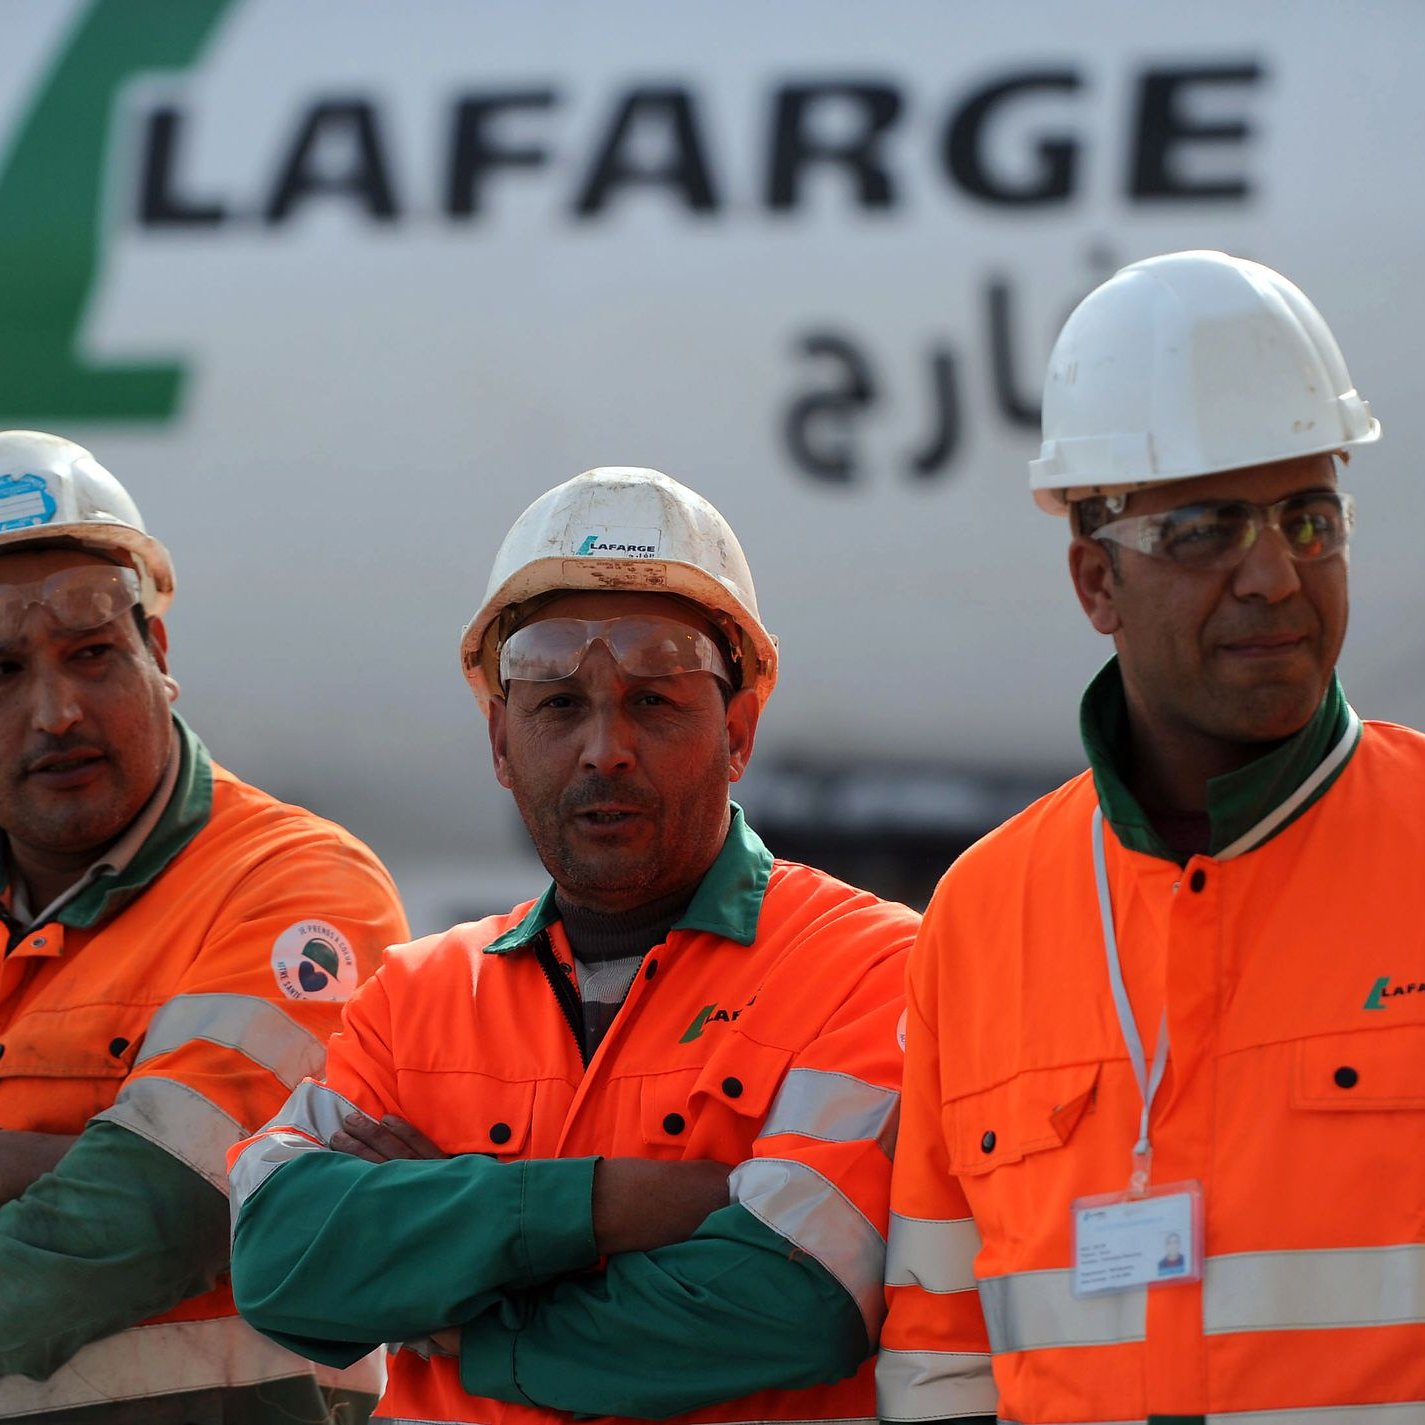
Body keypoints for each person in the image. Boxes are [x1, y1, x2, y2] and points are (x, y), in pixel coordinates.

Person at [228, 466, 916, 1425]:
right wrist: (616, 1203)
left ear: (739, 728)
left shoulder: (869, 968)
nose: (604, 748)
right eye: (556, 703)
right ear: (501, 745)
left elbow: (795, 1300)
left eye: (655, 700)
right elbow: (280, 1258)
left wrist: (470, 1316)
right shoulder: (415, 995)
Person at [878, 248, 1424, 1424]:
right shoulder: (982, 914)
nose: (1276, 577)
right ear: (1095, 582)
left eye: (1308, 518)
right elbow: (939, 1344)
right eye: (1205, 532)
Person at [0, 431, 408, 1424]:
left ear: (158, 650)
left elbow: (153, 1214)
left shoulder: (298, 889)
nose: (56, 713)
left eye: (93, 654)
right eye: (1, 672)